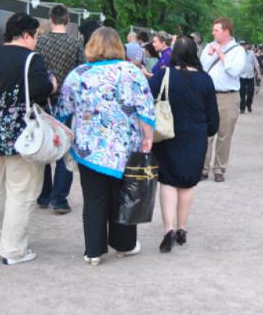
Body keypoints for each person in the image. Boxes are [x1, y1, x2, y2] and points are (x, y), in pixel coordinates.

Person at [56, 27, 155, 266]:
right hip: (126, 147)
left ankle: (93, 251)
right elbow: (145, 107)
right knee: (124, 195)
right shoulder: (131, 71)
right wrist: (148, 137)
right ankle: (124, 244)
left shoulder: (78, 74)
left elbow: (63, 110)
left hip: (90, 148)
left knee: (94, 198)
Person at [0, 13, 56, 265]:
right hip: (21, 137)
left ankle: (2, 238)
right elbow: (40, 89)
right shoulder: (31, 59)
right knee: (21, 191)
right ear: (26, 35)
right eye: (36, 36)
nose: (37, 41)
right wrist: (53, 84)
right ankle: (13, 249)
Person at [149, 36, 219, 252]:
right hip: (195, 137)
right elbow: (213, 117)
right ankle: (181, 227)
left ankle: (168, 229)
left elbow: (147, 98)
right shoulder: (205, 79)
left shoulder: (163, 73)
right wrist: (208, 130)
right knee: (187, 184)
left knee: (168, 181)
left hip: (167, 134)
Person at [35, 4, 84, 215]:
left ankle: (43, 194)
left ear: (50, 19)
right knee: (65, 148)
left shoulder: (40, 41)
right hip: (66, 102)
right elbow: (81, 70)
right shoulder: (75, 43)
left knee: (43, 143)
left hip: (42, 100)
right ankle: (59, 198)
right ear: (68, 20)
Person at [200, 18, 245, 182]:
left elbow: (234, 71)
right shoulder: (208, 47)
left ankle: (219, 169)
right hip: (209, 95)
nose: (213, 33)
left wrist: (221, 56)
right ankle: (203, 168)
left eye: (216, 30)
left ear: (226, 31)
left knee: (224, 134)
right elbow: (202, 68)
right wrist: (210, 55)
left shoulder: (238, 51)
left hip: (228, 96)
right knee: (206, 134)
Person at [239, 41, 261, 113]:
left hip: (250, 76)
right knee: (242, 93)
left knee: (251, 92)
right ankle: (242, 108)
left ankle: (248, 104)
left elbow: (256, 64)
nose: (243, 46)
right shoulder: (237, 54)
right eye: (241, 45)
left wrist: (259, 74)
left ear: (247, 46)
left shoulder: (251, 53)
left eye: (244, 45)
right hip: (241, 76)